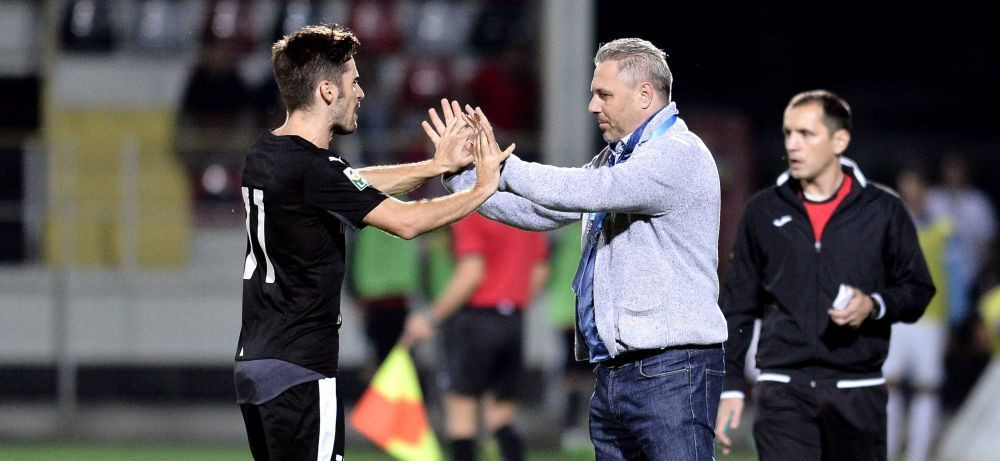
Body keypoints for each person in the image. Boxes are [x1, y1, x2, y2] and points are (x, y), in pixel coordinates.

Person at [434, 37, 728, 460]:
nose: (592, 106)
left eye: (604, 94)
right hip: (617, 370)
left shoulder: (677, 154)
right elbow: (538, 211)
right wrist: (462, 179)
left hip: (671, 369)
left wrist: (503, 165)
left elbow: (590, 189)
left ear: (645, 94)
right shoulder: (618, 158)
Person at [233, 24, 510, 461]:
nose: (360, 93)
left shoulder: (265, 153)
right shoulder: (316, 169)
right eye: (354, 81)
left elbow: (349, 183)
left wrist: (435, 165)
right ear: (327, 90)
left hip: (256, 364)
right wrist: (481, 188)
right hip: (301, 368)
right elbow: (406, 221)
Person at [715, 90, 935, 461]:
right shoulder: (763, 210)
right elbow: (737, 304)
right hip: (783, 390)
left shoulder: (883, 210)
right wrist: (731, 384)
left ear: (839, 141)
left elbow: (917, 290)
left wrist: (875, 305)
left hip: (858, 391)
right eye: (788, 133)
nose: (792, 144)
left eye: (806, 133)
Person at [402, 213, 548, 461]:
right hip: (513, 320)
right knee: (501, 415)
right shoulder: (523, 213)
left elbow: (471, 274)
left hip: (476, 321)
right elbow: (540, 271)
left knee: (461, 413)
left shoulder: (472, 212)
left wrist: (431, 317)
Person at [883, 165, 953, 461]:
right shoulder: (891, 224)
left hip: (931, 317)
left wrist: (951, 320)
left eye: (914, 184)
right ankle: (887, 450)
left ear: (926, 188)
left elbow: (954, 276)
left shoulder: (944, 228)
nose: (909, 190)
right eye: (905, 184)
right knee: (889, 383)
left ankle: (918, 454)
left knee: (926, 387)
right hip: (897, 316)